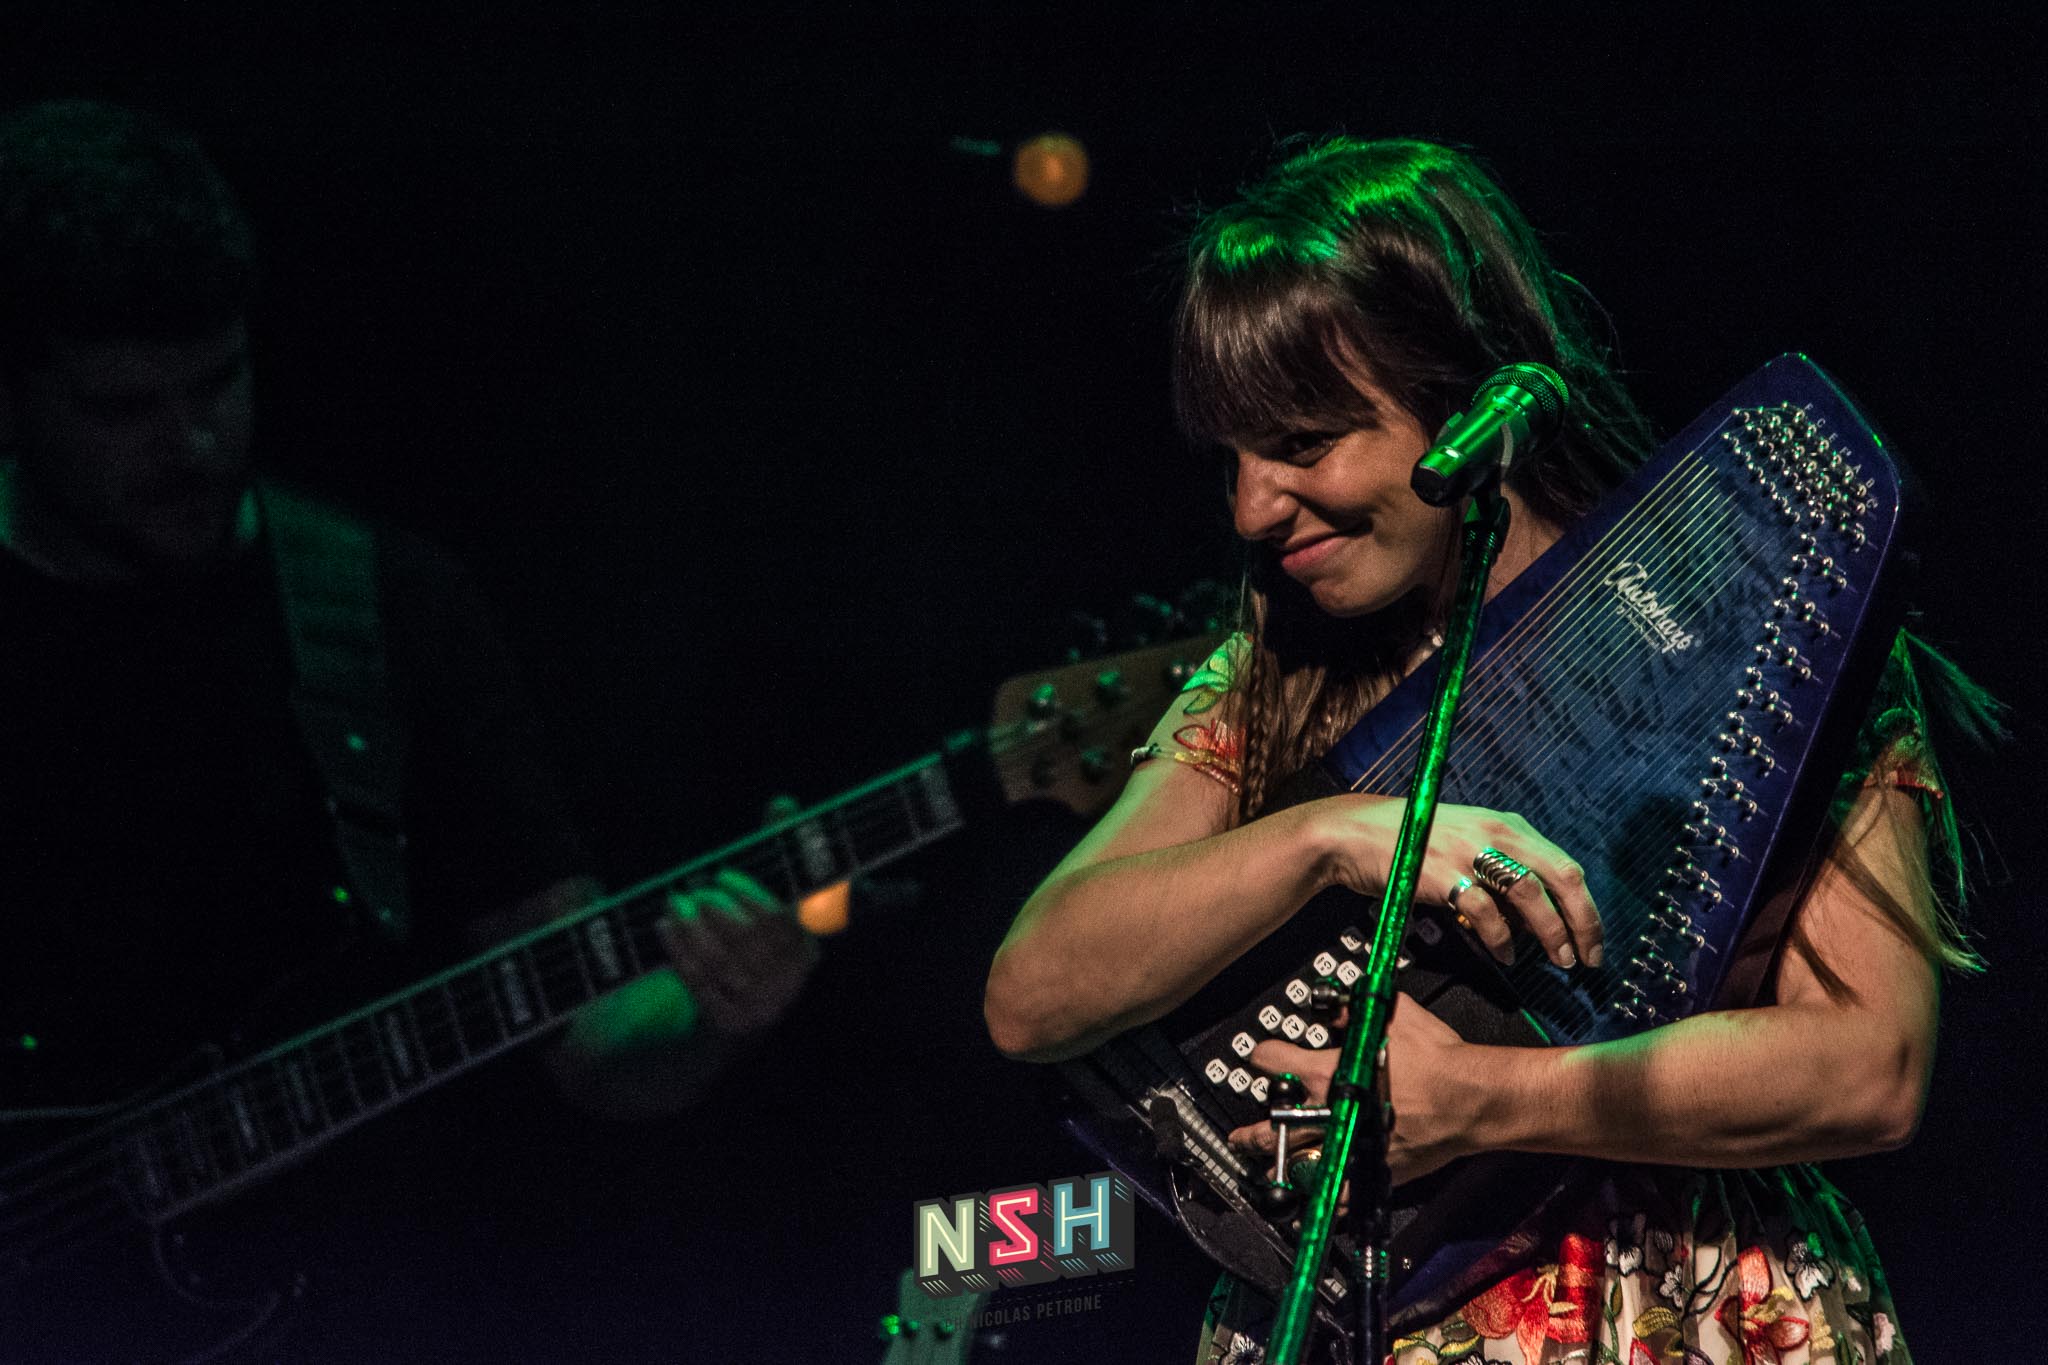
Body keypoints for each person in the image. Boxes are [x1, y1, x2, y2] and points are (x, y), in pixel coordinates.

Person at [984, 137, 1993, 1364]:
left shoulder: (1780, 628)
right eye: (1233, 459)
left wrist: (1483, 1100)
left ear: (1468, 400)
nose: (1251, 508)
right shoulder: (1275, 665)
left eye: (1302, 443)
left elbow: (1869, 1068)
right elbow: (1031, 995)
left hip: (1665, 1307)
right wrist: (1330, 836)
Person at [0, 98, 816, 1354]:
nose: (194, 443)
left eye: (220, 382)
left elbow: (591, 1043)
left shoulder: (382, 609)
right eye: (123, 410)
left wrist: (716, 1011)